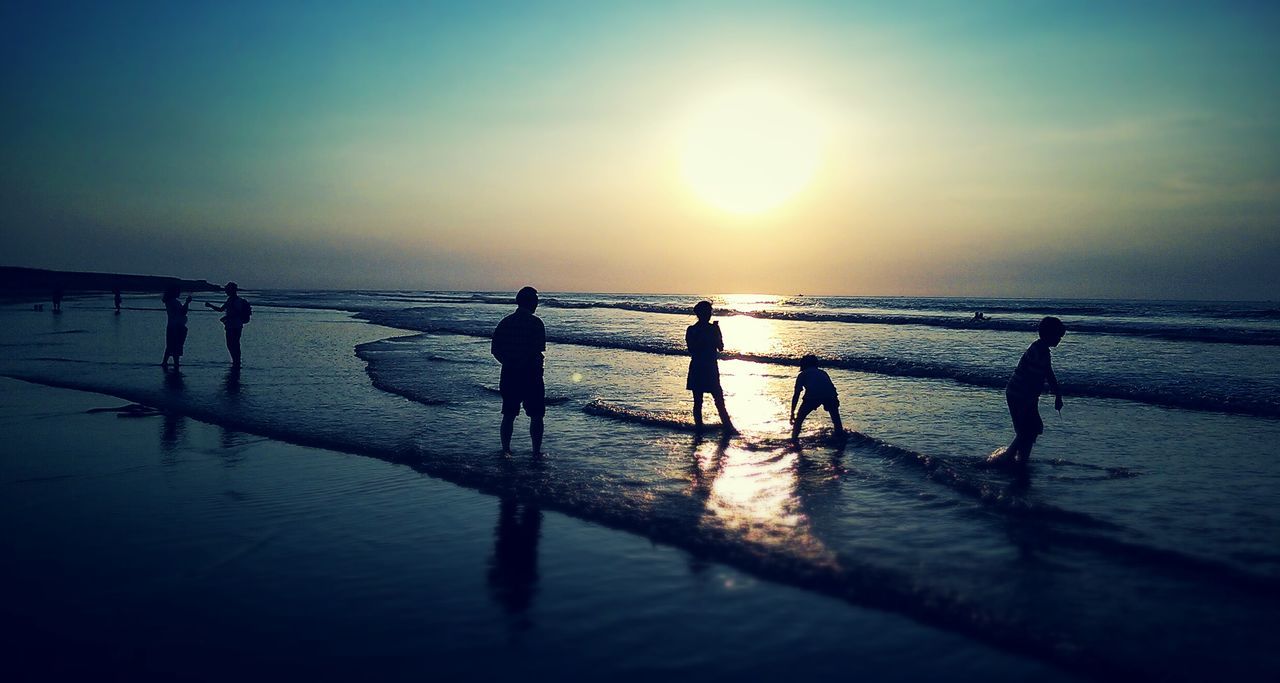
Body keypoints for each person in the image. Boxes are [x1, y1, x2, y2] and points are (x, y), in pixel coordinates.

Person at [996, 316, 1066, 467]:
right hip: (1020, 395)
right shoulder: (1039, 352)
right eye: (1058, 336)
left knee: (1029, 430)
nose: (1060, 340)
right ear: (1049, 334)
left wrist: (1057, 395)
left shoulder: (1041, 350)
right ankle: (1009, 458)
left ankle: (1020, 460)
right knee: (1028, 430)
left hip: (1021, 394)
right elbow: (1033, 379)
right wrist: (1032, 402)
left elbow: (1049, 374)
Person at [491, 286, 546, 455]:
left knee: (508, 414)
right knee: (536, 415)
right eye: (535, 300)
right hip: (531, 375)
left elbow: (495, 349)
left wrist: (508, 362)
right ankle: (536, 451)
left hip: (510, 373)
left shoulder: (506, 322)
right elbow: (538, 350)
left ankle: (506, 449)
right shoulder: (536, 323)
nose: (537, 304)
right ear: (530, 302)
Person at [686, 301, 736, 435]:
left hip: (710, 367)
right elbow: (692, 348)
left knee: (719, 398)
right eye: (706, 312)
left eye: (709, 312)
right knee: (698, 401)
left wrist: (716, 333)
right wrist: (706, 336)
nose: (708, 315)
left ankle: (728, 427)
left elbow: (720, 347)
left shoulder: (713, 329)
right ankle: (700, 428)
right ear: (699, 314)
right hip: (699, 366)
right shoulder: (692, 330)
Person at [789, 354, 844, 442]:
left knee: (799, 419)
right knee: (836, 419)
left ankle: (794, 439)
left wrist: (792, 413)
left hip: (813, 396)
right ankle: (840, 437)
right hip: (830, 395)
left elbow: (796, 395)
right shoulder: (823, 372)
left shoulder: (802, 375)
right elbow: (830, 387)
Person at [205, 282, 251, 367]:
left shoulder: (235, 301)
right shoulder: (232, 300)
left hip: (234, 325)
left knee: (232, 343)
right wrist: (210, 305)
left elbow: (235, 312)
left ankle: (236, 361)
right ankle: (236, 360)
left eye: (227, 289)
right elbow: (221, 309)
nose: (226, 291)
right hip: (235, 325)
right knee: (233, 343)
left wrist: (228, 317)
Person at [161, 285, 191, 369]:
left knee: (170, 345)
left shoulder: (169, 301)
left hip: (171, 325)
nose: (179, 293)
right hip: (177, 326)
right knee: (176, 345)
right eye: (178, 291)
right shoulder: (174, 302)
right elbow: (183, 312)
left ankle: (165, 362)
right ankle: (175, 364)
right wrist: (187, 302)